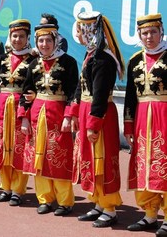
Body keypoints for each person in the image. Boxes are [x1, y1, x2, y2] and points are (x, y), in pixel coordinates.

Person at [71, 11, 125, 228]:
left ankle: (110, 207)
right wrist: (74, 113)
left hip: (99, 115)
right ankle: (98, 203)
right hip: (86, 111)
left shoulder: (103, 59)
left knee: (101, 159)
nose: (78, 34)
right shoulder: (91, 55)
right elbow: (80, 86)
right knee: (90, 159)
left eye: (81, 30)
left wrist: (93, 124)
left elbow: (100, 94)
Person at [18, 23, 78, 216]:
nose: (44, 44)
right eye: (41, 41)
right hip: (36, 117)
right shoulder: (33, 63)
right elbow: (26, 91)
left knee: (59, 159)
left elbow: (73, 92)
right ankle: (44, 199)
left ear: (56, 41)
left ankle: (65, 201)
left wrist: (69, 116)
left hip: (58, 116)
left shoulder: (68, 62)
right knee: (39, 159)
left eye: (48, 40)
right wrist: (24, 119)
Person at [0, 20, 35, 205]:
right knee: (2, 149)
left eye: (21, 36)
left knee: (20, 150)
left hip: (21, 110)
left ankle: (18, 191)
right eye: (14, 36)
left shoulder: (33, 61)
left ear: (28, 38)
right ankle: (5, 188)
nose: (18, 39)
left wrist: (26, 113)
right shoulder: (1, 59)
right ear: (9, 37)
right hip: (1, 109)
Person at [123, 13, 167, 234]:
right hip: (142, 119)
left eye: (153, 32)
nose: (149, 36)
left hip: (164, 117)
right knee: (144, 165)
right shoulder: (134, 60)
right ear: (139, 35)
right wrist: (128, 126)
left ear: (161, 32)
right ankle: (150, 214)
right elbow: (130, 96)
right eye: (144, 33)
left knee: (164, 165)